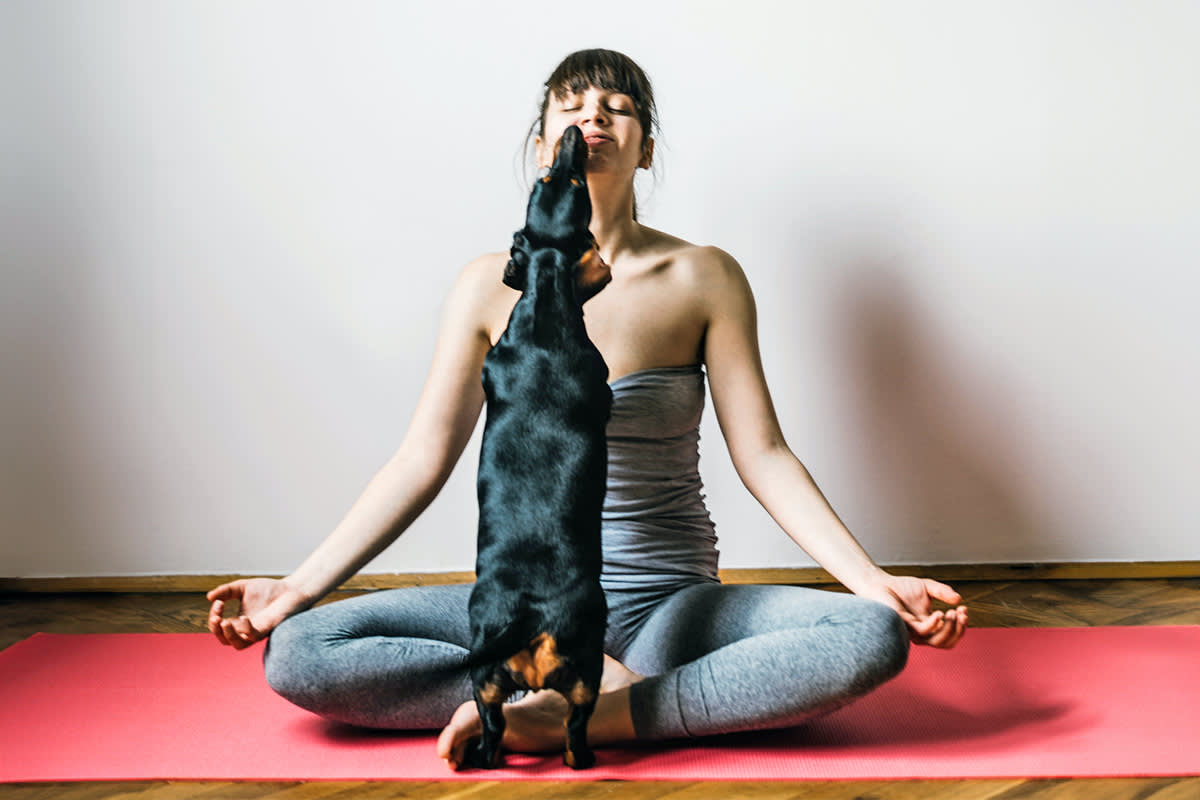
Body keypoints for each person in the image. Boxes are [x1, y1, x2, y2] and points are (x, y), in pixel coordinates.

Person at [207, 48, 968, 770]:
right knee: (303, 650)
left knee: (870, 636)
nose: (593, 117)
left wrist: (873, 581)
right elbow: (421, 460)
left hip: (665, 609)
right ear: (543, 145)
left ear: (645, 149)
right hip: (518, 604)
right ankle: (583, 687)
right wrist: (297, 588)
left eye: (617, 107)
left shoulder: (703, 277)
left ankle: (592, 710)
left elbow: (763, 454)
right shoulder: (484, 288)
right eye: (570, 105)